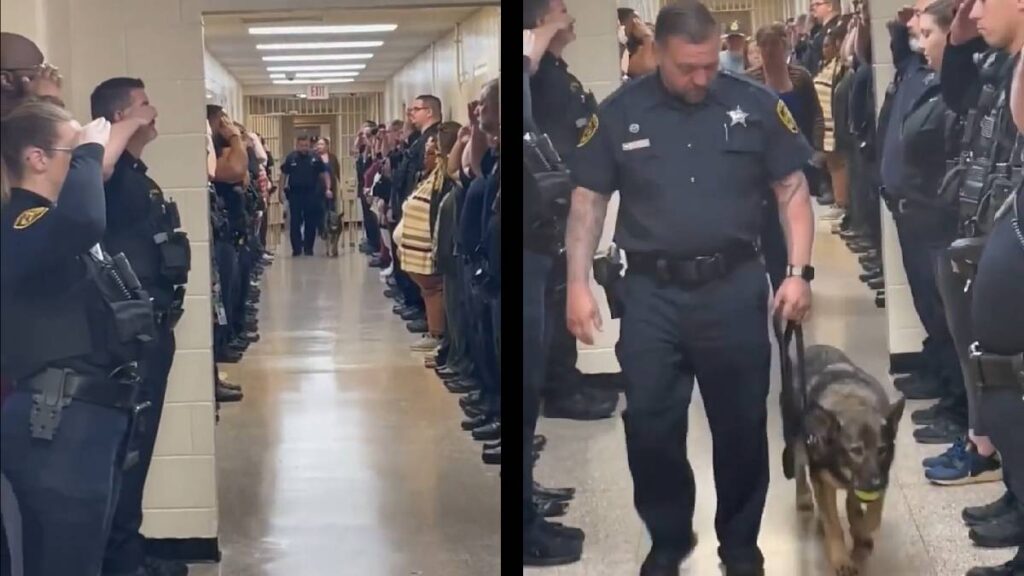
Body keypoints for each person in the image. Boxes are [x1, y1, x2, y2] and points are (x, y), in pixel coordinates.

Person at [565, 3, 815, 575]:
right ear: (658, 53)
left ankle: (740, 544)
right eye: (687, 68)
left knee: (741, 425)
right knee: (650, 426)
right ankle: (669, 537)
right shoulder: (621, 112)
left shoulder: (755, 105)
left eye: (710, 65)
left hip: (733, 287)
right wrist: (577, 283)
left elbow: (792, 191)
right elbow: (588, 202)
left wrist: (798, 273)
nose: (702, 78)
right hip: (651, 294)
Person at [1, 101, 154, 576]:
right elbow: (85, 219)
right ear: (36, 159)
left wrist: (88, 152)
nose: (88, 158)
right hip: (58, 421)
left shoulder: (51, 222)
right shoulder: (21, 221)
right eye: (74, 150)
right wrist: (90, 150)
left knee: (84, 558)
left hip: (90, 417)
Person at [90, 77, 192, 576]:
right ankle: (123, 562)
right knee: (128, 451)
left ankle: (128, 550)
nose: (153, 112)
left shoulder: (135, 175)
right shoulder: (104, 173)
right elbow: (98, 165)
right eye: (144, 104)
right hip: (128, 339)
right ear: (118, 117)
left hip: (152, 330)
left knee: (139, 449)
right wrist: (125, 123)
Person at [746, 22, 825, 290]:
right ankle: (778, 279)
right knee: (770, 227)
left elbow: (815, 114)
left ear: (785, 46)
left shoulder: (800, 77)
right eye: (765, 45)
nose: (770, 51)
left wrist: (817, 150)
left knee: (797, 223)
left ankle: (799, 274)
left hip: (799, 160)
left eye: (775, 45)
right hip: (764, 166)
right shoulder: (750, 81)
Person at [397, 122, 461, 353]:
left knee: (436, 290)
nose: (426, 157)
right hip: (422, 252)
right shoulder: (431, 175)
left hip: (436, 251)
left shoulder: (447, 177)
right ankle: (434, 331)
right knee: (429, 291)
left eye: (432, 152)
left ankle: (438, 334)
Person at [279, 135, 329, 257]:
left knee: (310, 221)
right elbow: (284, 175)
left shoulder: (315, 158)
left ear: (309, 145)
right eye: (301, 145)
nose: (304, 148)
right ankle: (296, 249)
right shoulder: (291, 158)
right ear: (297, 145)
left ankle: (308, 248)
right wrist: (280, 191)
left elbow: (324, 173)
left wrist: (327, 188)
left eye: (306, 145)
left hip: (311, 193)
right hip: (295, 194)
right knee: (295, 221)